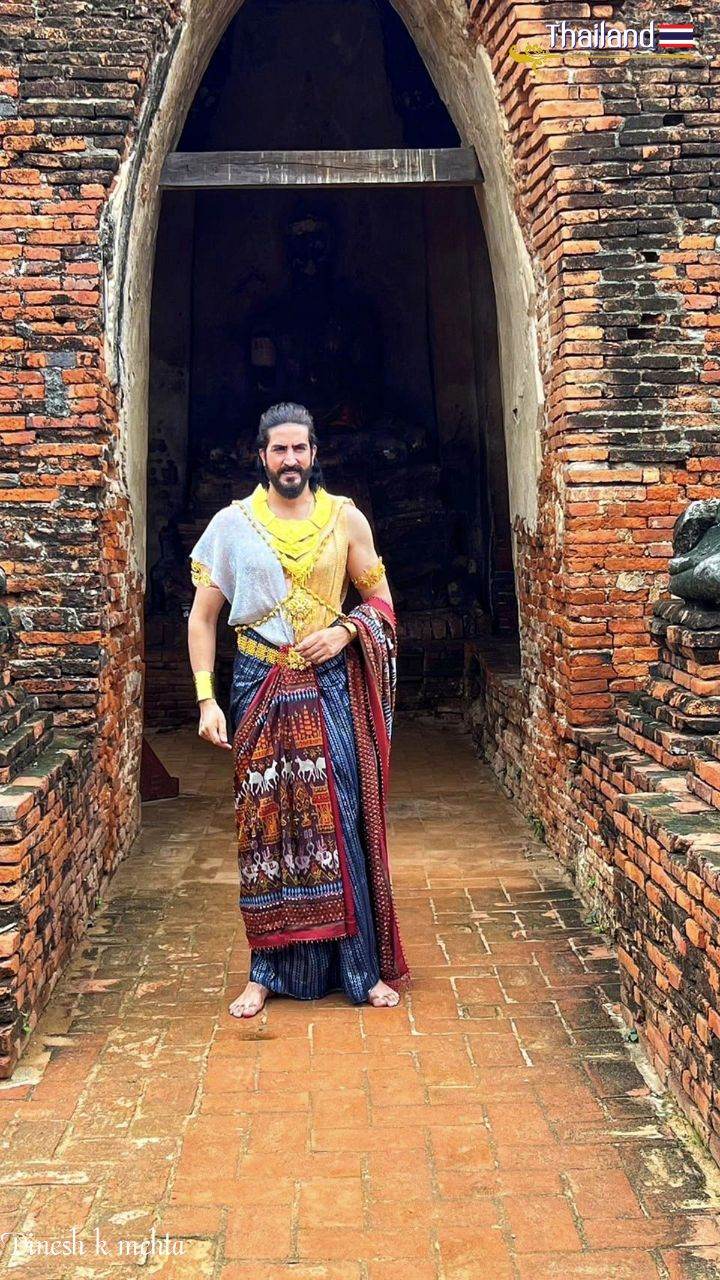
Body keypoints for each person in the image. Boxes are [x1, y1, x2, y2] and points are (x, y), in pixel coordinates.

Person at [187, 402, 410, 1018]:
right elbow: (202, 617)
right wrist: (206, 696)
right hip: (258, 681)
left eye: (300, 449)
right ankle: (263, 971)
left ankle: (361, 970)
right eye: (279, 449)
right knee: (265, 826)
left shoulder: (346, 519)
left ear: (315, 454)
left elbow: (382, 603)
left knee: (341, 816)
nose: (290, 460)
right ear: (261, 455)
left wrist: (343, 634)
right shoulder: (232, 525)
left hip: (330, 683)